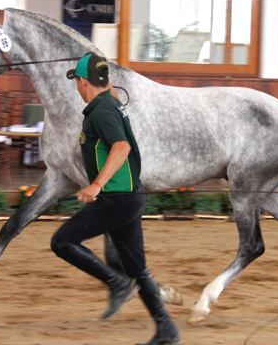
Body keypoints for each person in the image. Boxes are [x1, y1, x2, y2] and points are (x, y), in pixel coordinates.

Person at [50, 53, 180, 345]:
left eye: (77, 82)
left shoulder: (102, 111)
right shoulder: (110, 103)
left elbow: (120, 147)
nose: (77, 88)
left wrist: (96, 184)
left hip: (116, 199)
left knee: (62, 242)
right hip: (130, 198)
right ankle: (167, 331)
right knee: (138, 268)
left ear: (83, 81)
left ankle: (116, 283)